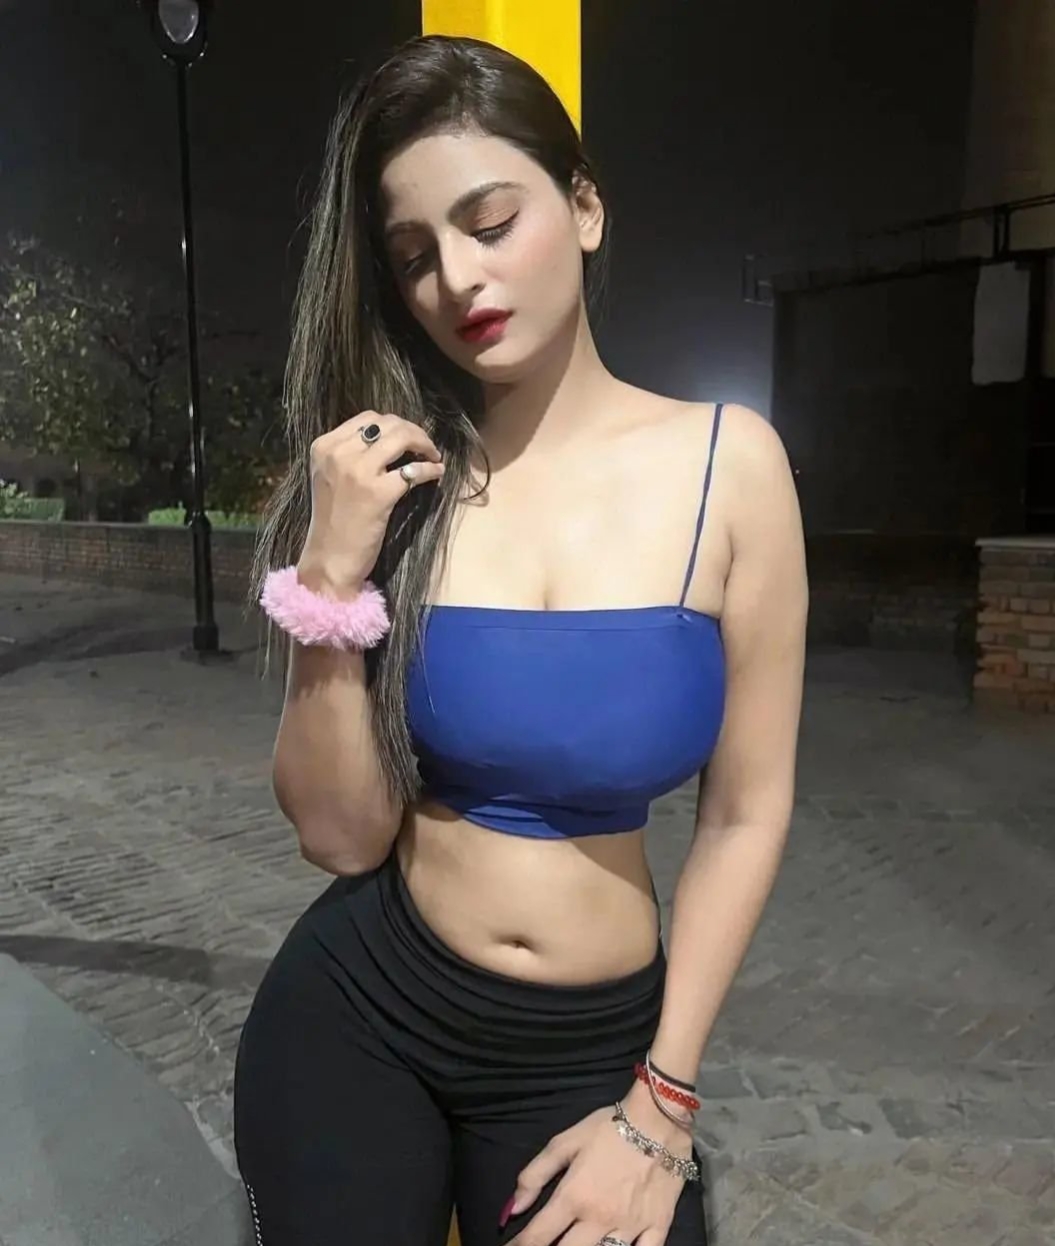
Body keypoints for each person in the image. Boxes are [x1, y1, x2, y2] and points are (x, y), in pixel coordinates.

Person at [233, 32, 807, 1246]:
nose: (456, 279)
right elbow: (339, 834)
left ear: (582, 208)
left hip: (590, 1050)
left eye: (489, 222)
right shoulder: (395, 485)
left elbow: (744, 814)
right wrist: (328, 574)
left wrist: (660, 1106)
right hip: (360, 1014)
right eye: (413, 255)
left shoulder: (729, 466)